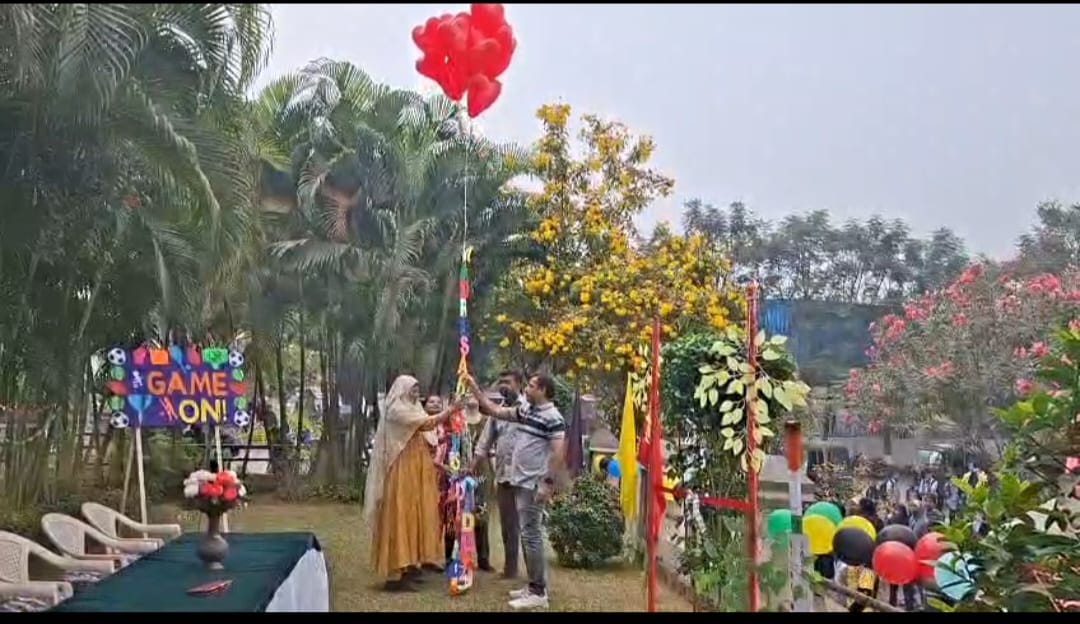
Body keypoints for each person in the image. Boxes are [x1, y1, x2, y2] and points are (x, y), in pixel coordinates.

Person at [465, 372, 566, 610]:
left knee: (531, 536)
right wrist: (474, 387)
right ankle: (532, 585)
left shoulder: (553, 417)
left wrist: (547, 484)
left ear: (542, 390)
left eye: (531, 386)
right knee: (528, 534)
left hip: (533, 484)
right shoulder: (526, 411)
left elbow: (558, 453)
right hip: (519, 481)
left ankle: (538, 592)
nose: (527, 390)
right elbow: (494, 410)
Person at [363, 375, 459, 592]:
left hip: (416, 466)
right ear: (402, 389)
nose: (417, 394)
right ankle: (396, 572)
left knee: (415, 513)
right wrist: (451, 410)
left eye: (417, 389)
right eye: (413, 390)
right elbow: (427, 423)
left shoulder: (413, 408)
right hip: (401, 468)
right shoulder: (396, 409)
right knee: (401, 515)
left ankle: (410, 564)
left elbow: (428, 430)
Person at [471, 372, 524, 579]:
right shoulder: (497, 413)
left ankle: (534, 575)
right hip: (503, 476)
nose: (504, 386)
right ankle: (510, 569)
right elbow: (484, 442)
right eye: (501, 382)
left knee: (528, 527)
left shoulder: (528, 408)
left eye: (508, 382)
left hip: (526, 477)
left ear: (518, 384)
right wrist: (472, 466)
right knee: (507, 524)